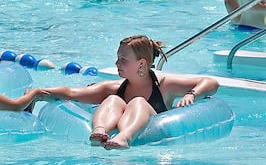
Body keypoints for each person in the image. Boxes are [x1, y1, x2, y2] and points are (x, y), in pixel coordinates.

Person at [43, 35, 219, 149]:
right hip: (112, 140)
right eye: (118, 58)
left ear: (141, 64)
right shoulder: (114, 88)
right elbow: (73, 93)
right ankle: (100, 130)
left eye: (123, 59)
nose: (116, 63)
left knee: (138, 102)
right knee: (112, 99)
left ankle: (125, 137)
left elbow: (211, 82)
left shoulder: (165, 85)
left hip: (154, 140)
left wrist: (191, 94)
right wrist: (39, 92)